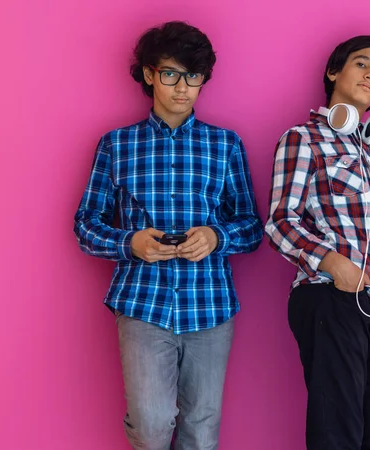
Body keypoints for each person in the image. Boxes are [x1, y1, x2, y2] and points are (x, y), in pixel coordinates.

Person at [74, 21, 263, 450]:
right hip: (142, 302)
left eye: (194, 76)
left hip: (210, 305)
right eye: (171, 74)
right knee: (152, 424)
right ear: (148, 74)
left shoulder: (225, 145)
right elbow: (85, 224)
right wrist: (130, 243)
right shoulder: (116, 145)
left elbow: (252, 226)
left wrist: (217, 237)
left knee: (201, 429)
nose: (183, 87)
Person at [265, 35, 370, 450]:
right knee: (337, 434)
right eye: (362, 64)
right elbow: (280, 221)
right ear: (334, 72)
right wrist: (333, 264)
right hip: (328, 299)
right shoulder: (304, 138)